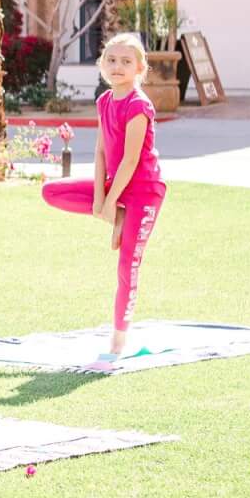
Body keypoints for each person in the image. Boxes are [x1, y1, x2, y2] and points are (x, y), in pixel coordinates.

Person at [39, 32, 165, 368]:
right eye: (111, 60)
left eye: (126, 61)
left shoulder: (139, 105)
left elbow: (131, 160)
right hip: (114, 187)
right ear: (101, 65)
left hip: (143, 190)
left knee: (127, 265)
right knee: (51, 192)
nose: (117, 66)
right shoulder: (105, 101)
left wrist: (110, 202)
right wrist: (99, 200)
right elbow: (100, 152)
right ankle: (117, 215)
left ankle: (118, 340)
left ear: (139, 68)